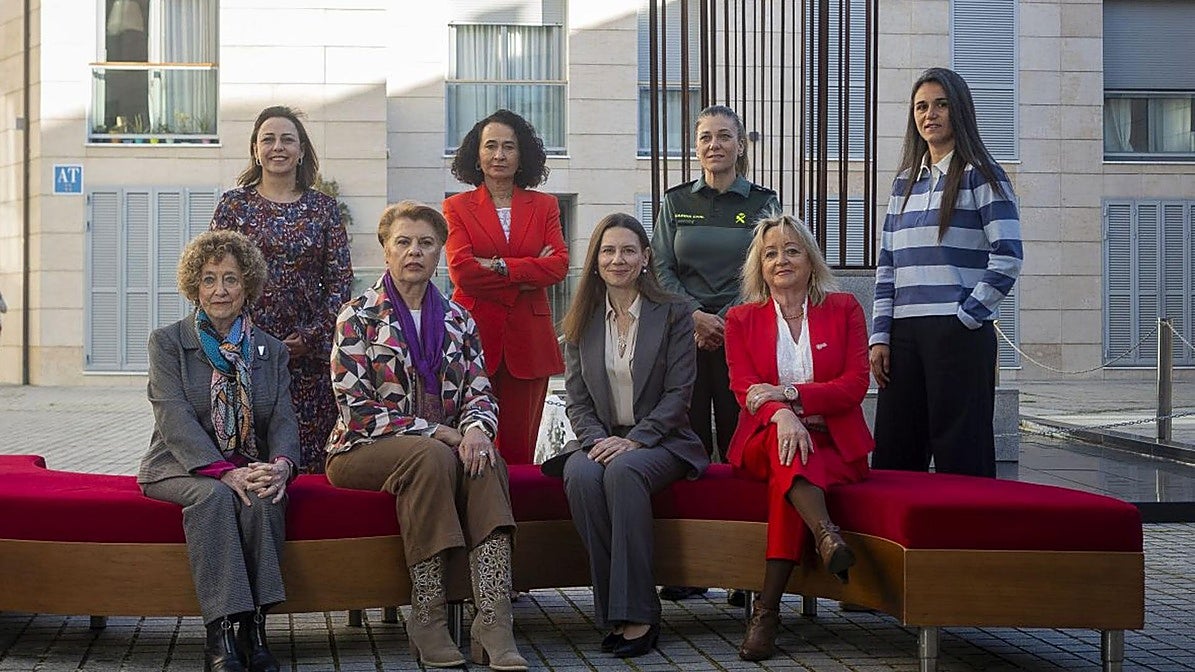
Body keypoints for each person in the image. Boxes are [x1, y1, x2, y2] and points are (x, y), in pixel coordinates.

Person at [324, 201, 527, 671]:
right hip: (360, 449)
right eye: (403, 242)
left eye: (426, 243)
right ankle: (428, 615)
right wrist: (440, 432)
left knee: (485, 459)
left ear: (439, 253)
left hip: (442, 449)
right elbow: (357, 410)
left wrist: (475, 430)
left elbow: (481, 391)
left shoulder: (458, 318)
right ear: (386, 250)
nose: (414, 251)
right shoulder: (356, 316)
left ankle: (493, 620)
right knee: (431, 456)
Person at [546, 213, 708, 658]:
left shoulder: (673, 311)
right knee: (580, 476)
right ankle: (613, 609)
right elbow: (576, 399)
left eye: (628, 250)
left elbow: (679, 393)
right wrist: (599, 439)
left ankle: (639, 612)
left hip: (663, 440)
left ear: (645, 257)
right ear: (596, 260)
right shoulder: (581, 318)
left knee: (623, 473)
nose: (618, 259)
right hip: (600, 437)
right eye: (608, 251)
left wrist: (636, 439)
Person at [140, 230, 299, 672]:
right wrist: (222, 472)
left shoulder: (270, 349)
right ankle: (222, 628)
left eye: (230, 278)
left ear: (247, 285)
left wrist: (282, 466)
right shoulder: (168, 342)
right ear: (195, 286)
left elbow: (284, 417)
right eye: (208, 279)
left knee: (263, 497)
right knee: (214, 498)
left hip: (247, 463)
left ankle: (255, 628)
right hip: (177, 465)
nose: (220, 290)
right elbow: (173, 417)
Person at [723, 214, 873, 661]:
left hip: (834, 447)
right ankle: (826, 534)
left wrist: (789, 394)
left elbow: (854, 384)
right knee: (785, 445)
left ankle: (766, 613)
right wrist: (783, 416)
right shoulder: (740, 319)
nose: (781, 259)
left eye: (792, 250)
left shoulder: (844, 308)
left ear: (810, 260)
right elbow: (744, 389)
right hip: (765, 440)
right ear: (759, 265)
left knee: (785, 480)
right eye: (770, 253)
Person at [650, 104, 778, 603]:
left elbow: (769, 261)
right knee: (689, 446)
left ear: (741, 145)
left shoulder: (763, 201)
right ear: (696, 145)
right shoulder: (676, 202)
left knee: (741, 446)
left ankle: (745, 569)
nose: (714, 145)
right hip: (685, 338)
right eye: (705, 137)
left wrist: (727, 319)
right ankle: (693, 567)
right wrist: (696, 315)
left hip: (741, 338)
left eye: (725, 136)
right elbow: (660, 265)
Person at [869, 67, 1023, 478]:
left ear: (959, 111)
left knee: (963, 452)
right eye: (921, 106)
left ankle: (967, 540)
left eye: (940, 104)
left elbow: (1008, 255)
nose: (930, 114)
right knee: (896, 453)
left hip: (957, 333)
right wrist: (880, 336)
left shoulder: (983, 176)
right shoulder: (903, 185)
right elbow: (888, 266)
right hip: (903, 338)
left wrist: (967, 317)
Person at [211, 105, 354, 473]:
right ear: (255, 150)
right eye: (268, 139)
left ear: (302, 150)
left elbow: (339, 282)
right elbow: (211, 276)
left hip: (306, 357)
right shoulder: (234, 206)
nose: (278, 147)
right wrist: (239, 336)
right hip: (244, 353)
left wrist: (312, 335)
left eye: (287, 139)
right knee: (249, 457)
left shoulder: (323, 208)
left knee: (305, 463)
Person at [443, 109, 569, 466]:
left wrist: (497, 266)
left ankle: (522, 520)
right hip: (473, 336)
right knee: (472, 444)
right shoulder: (457, 207)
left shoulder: (545, 206)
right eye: (491, 146)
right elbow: (462, 273)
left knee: (519, 450)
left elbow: (558, 265)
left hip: (529, 340)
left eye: (509, 147)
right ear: (477, 155)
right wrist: (530, 271)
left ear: (522, 155)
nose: (499, 155)